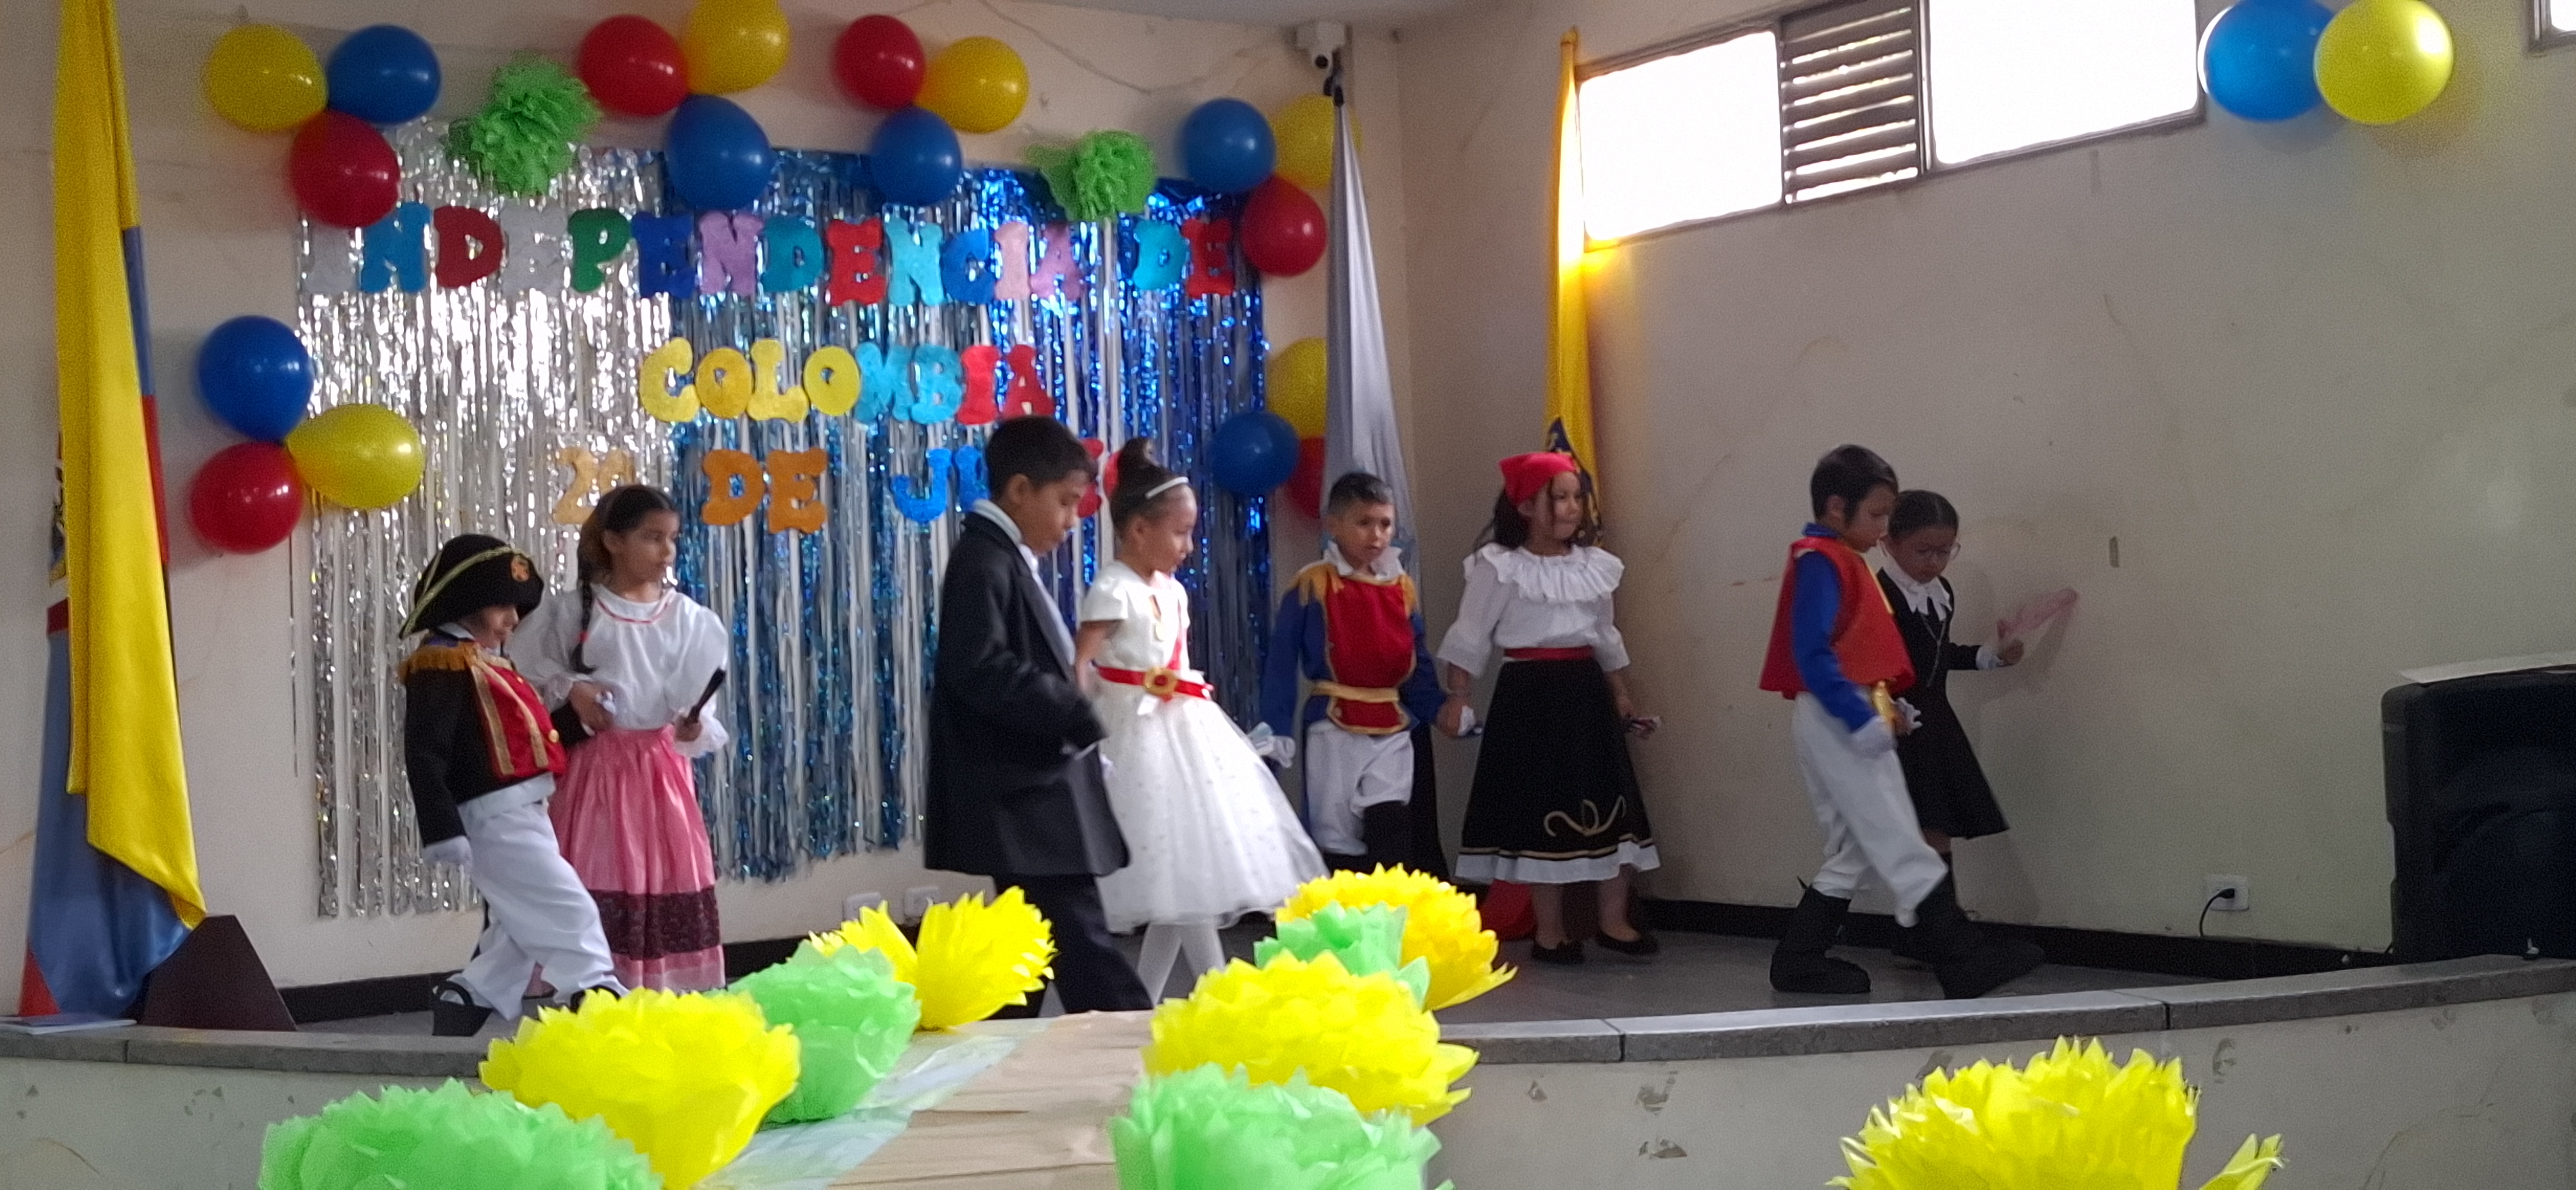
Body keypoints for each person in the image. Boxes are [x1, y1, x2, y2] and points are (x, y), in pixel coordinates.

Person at [1758, 447, 2042, 999]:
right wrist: (1861, 719)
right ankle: (1959, 958)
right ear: (1837, 507)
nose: (1884, 526)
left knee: (1862, 846)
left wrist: (1881, 708)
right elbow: (1813, 653)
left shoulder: (1839, 559)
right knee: (1895, 836)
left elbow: (1857, 653)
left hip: (1849, 710)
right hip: (1841, 714)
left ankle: (1799, 959)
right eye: (1877, 515)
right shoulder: (1821, 560)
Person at [1080, 440, 1325, 998]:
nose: (1188, 546)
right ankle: (1217, 991)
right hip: (1136, 738)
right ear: (1138, 530)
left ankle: (1153, 999)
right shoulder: (1113, 588)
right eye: (1180, 533)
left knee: (1185, 880)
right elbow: (1081, 662)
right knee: (1177, 876)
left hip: (1187, 733)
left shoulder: (1173, 591)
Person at [926, 416, 1152, 1014]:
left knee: (1030, 952)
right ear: (1020, 490)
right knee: (1082, 945)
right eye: (1066, 502)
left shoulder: (1000, 555)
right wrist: (1071, 708)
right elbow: (978, 667)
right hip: (1025, 796)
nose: (1072, 520)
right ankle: (1139, 1052)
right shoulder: (984, 559)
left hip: (1031, 793)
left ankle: (995, 1054)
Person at [1436, 452, 1659, 966]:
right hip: (1529, 695)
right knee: (1540, 808)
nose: (1572, 507)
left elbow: (1603, 632)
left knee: (1610, 802)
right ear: (1525, 506)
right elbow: (1471, 633)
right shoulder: (1499, 567)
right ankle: (1550, 931)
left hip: (1585, 691)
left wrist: (1620, 691)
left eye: (1577, 496)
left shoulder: (1593, 566)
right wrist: (1459, 693)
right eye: (1559, 497)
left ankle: (1613, 921)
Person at [398, 534, 624, 1036]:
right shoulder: (441, 663)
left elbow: (525, 739)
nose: (513, 620)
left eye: (517, 608)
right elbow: (425, 752)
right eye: (502, 607)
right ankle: (593, 988)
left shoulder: (484, 659)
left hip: (524, 806)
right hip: (491, 814)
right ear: (466, 602)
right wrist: (441, 827)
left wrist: (580, 723)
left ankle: (470, 995)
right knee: (562, 899)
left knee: (516, 919)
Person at [516, 486, 730, 993]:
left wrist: (693, 724)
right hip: (595, 772)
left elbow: (698, 699)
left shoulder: (688, 619)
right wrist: (574, 689)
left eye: (672, 538)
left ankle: (658, 987)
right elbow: (528, 670)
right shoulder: (571, 612)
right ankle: (589, 985)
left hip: (660, 774)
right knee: (594, 869)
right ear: (613, 541)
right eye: (652, 538)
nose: (666, 551)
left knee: (663, 871)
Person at [1260, 471, 1448, 872]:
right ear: (1334, 525)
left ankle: (1390, 909)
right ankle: (1342, 907)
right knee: (1336, 835)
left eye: (1385, 524)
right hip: (1334, 726)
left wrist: (1439, 709)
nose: (1377, 535)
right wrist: (1275, 727)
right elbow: (1281, 663)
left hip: (1392, 725)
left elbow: (1417, 659)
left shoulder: (1401, 587)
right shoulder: (1313, 584)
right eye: (1364, 523)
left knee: (1391, 823)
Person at [1877, 491, 2022, 951]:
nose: (1935, 562)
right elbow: (1872, 664)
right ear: (1889, 543)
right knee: (1920, 826)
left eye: (1945, 551)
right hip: (1898, 722)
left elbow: (1937, 655)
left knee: (1936, 824)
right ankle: (1934, 930)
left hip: (1936, 718)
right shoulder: (1879, 596)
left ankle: (1934, 930)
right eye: (1924, 551)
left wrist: (1991, 656)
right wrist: (1888, 708)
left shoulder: (1942, 593)